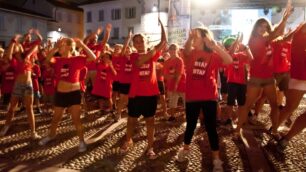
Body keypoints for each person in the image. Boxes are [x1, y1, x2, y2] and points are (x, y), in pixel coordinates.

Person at [175, 27, 232, 172]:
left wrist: (215, 46)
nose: (193, 38)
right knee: (191, 125)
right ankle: (185, 149)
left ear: (205, 39)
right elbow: (186, 50)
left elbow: (229, 60)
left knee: (211, 127)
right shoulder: (190, 53)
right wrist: (189, 37)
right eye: (193, 36)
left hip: (209, 96)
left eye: (196, 36)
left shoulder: (213, 54)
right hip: (192, 97)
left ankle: (216, 159)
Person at [235, 1, 292, 139]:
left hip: (268, 78)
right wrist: (284, 18)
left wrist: (285, 20)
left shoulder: (268, 40)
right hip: (255, 78)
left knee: (274, 105)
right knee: (247, 105)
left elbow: (279, 34)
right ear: (256, 28)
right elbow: (276, 33)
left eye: (265, 26)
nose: (263, 28)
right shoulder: (254, 39)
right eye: (260, 25)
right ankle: (237, 131)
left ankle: (274, 130)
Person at [38, 37, 96, 152]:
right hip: (60, 94)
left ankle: (81, 141)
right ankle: (51, 135)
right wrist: (55, 47)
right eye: (59, 44)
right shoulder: (57, 60)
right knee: (56, 119)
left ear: (69, 47)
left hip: (74, 94)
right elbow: (46, 61)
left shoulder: (77, 59)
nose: (60, 45)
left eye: (62, 44)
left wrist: (82, 44)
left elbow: (93, 57)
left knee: (76, 120)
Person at [120, 19, 167, 159]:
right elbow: (140, 61)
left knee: (150, 122)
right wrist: (154, 50)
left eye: (142, 41)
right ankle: (128, 140)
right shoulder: (134, 56)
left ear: (146, 42)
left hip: (150, 94)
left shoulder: (153, 55)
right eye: (137, 42)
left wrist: (163, 26)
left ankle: (150, 147)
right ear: (133, 45)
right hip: (135, 94)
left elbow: (163, 42)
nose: (139, 43)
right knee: (131, 120)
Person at [0, 33, 41, 139]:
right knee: (12, 108)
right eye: (16, 48)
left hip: (28, 84)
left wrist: (33, 34)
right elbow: (7, 56)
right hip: (18, 85)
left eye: (18, 47)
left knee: (29, 108)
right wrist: (13, 42)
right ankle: (6, 126)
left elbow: (37, 44)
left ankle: (33, 132)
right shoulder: (13, 61)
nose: (16, 49)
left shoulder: (29, 56)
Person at [163, 43, 186, 121]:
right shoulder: (167, 62)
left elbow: (179, 74)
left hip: (181, 84)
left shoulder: (179, 60)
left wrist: (175, 85)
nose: (172, 50)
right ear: (168, 50)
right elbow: (165, 75)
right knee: (172, 102)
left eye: (174, 49)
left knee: (185, 101)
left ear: (177, 50)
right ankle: (172, 116)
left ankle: (187, 116)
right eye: (171, 49)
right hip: (171, 84)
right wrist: (172, 77)